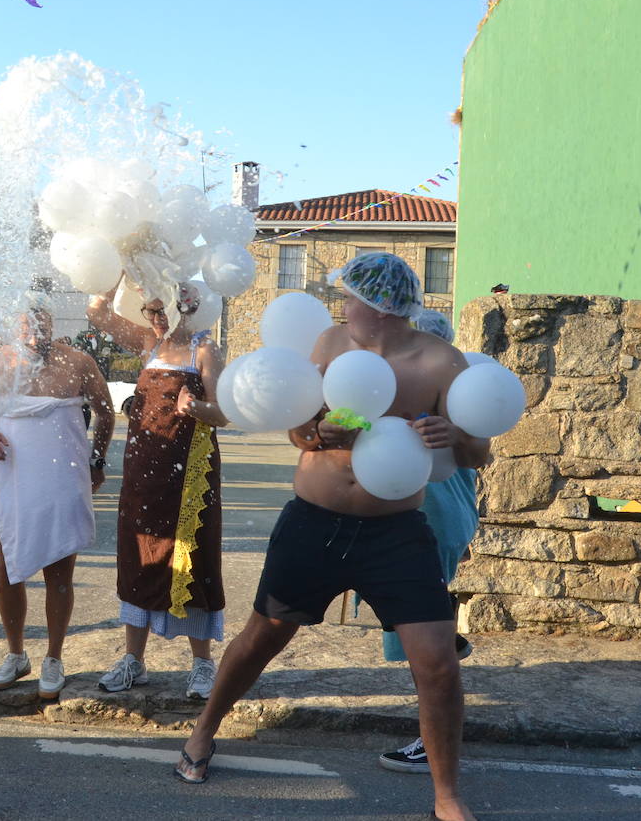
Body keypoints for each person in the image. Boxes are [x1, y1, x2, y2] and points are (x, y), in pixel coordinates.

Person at [173, 253, 489, 821]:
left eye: (350, 298)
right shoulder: (330, 344)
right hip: (315, 522)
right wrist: (320, 431)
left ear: (380, 308)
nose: (342, 307)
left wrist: (453, 435)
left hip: (396, 533)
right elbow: (298, 431)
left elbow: (477, 452)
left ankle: (447, 797)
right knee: (262, 636)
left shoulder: (441, 361)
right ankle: (202, 733)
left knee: (439, 663)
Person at [86, 281, 227, 699]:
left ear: (188, 307)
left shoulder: (205, 349)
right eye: (151, 310)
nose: (157, 318)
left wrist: (194, 407)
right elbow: (97, 313)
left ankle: (202, 664)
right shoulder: (148, 342)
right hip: (143, 473)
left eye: (164, 309)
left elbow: (224, 412)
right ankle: (134, 660)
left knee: (193, 557)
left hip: (190, 475)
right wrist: (115, 270)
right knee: (139, 557)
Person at [0, 307, 113, 699]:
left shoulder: (78, 361)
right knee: (6, 565)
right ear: (15, 323)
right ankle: (16, 653)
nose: (36, 333)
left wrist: (97, 461)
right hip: (13, 475)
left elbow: (105, 412)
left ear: (52, 323)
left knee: (59, 568)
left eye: (42, 324)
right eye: (28, 324)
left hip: (62, 474)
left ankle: (54, 656)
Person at [375, 309, 484, 774]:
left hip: (432, 521)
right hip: (433, 519)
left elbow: (477, 453)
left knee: (423, 641)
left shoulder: (444, 393)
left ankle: (431, 739)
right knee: (417, 628)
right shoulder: (443, 388)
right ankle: (447, 645)